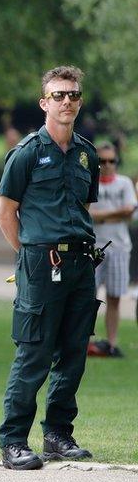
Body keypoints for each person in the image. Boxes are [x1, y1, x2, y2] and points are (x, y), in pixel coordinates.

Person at [0, 65, 100, 470]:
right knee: (34, 352)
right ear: (44, 102)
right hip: (42, 260)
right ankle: (13, 441)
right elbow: (6, 212)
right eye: (58, 95)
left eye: (73, 95)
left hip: (81, 260)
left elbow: (83, 207)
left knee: (73, 352)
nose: (67, 101)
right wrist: (27, 255)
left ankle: (58, 434)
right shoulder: (26, 153)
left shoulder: (86, 153)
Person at [89, 142, 135, 355]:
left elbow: (131, 212)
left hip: (119, 247)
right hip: (92, 248)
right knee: (88, 299)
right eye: (102, 161)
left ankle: (112, 343)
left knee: (114, 297)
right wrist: (116, 214)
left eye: (111, 161)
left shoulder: (124, 183)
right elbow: (87, 215)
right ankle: (85, 343)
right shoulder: (89, 182)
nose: (107, 165)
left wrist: (103, 217)